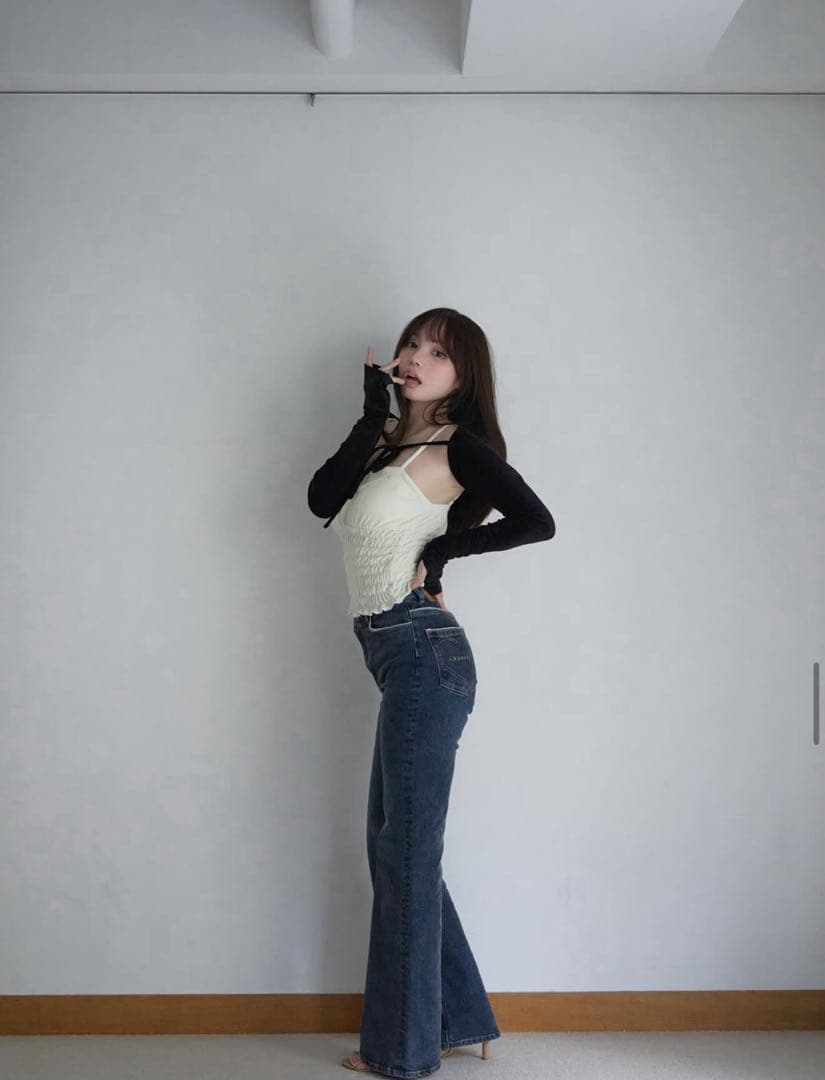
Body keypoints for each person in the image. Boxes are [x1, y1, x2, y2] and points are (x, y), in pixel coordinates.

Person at [307, 307, 556, 1078]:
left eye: (437, 352)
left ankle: (403, 1051)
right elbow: (320, 500)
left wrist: (443, 551)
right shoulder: (388, 443)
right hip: (392, 653)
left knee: (404, 851)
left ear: (462, 373)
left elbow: (535, 521)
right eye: (411, 344)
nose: (416, 356)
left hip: (423, 651)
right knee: (397, 850)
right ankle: (454, 1019)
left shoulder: (457, 447)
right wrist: (371, 413)